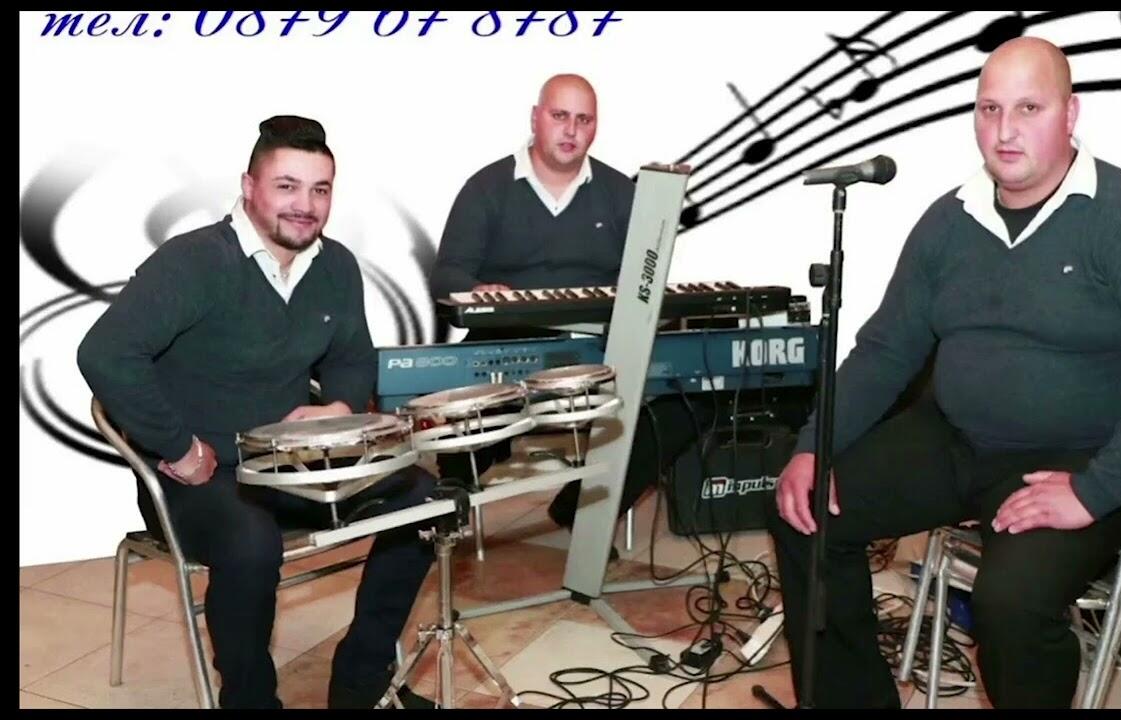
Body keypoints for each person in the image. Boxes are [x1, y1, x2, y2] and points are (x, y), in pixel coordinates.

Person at [767, 37, 1121, 709]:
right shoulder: (950, 219)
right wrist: (815, 445)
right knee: (804, 510)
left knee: (1010, 603)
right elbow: (886, 349)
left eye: (1028, 108)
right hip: (957, 438)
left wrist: (1096, 490)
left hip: (1075, 460)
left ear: (1070, 114)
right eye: (990, 109)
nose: (1005, 130)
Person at [78, 116, 438, 709]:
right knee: (250, 541)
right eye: (286, 186)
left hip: (293, 465)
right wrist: (178, 448)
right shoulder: (195, 261)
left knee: (424, 498)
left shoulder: (336, 266)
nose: (305, 205)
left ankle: (362, 681)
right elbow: (105, 354)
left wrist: (339, 407)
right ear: (249, 186)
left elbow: (352, 357)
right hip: (200, 476)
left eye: (320, 189)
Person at [428, 74, 721, 535]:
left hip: (600, 344)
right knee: (465, 394)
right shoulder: (487, 187)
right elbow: (447, 274)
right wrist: (478, 288)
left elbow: (645, 280)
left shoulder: (620, 193)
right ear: (536, 118)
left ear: (595, 127)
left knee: (688, 401)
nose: (571, 130)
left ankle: (581, 506)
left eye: (583, 120)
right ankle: (453, 503)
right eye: (560, 116)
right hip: (510, 339)